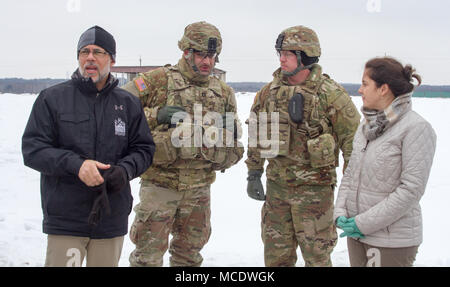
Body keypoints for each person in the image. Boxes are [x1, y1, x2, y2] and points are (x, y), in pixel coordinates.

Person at [22, 25, 155, 267]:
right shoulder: (52, 98)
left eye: (98, 52)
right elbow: (33, 149)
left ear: (112, 60)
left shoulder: (128, 103)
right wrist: (76, 165)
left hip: (111, 215)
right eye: (84, 52)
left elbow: (144, 150)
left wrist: (124, 170)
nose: (90, 57)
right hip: (66, 217)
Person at [122, 21, 244, 267]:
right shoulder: (157, 80)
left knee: (189, 259)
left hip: (199, 192)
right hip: (160, 186)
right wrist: (157, 115)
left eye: (212, 56)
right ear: (186, 51)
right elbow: (118, 111)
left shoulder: (223, 92)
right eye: (201, 54)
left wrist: (226, 135)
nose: (207, 62)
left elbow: (235, 145)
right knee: (147, 258)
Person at [245, 25, 360, 267]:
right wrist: (253, 173)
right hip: (276, 190)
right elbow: (256, 133)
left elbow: (353, 144)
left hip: (315, 194)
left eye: (287, 54)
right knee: (276, 259)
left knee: (317, 258)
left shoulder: (331, 94)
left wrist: (352, 191)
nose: (281, 60)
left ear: (305, 56)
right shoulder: (268, 93)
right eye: (280, 54)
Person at [334, 57, 436, 267]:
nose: (360, 90)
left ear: (383, 89)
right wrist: (341, 212)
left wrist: (362, 223)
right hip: (358, 236)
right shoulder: (366, 126)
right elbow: (351, 173)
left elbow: (410, 190)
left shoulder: (416, 128)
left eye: (365, 84)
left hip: (391, 241)